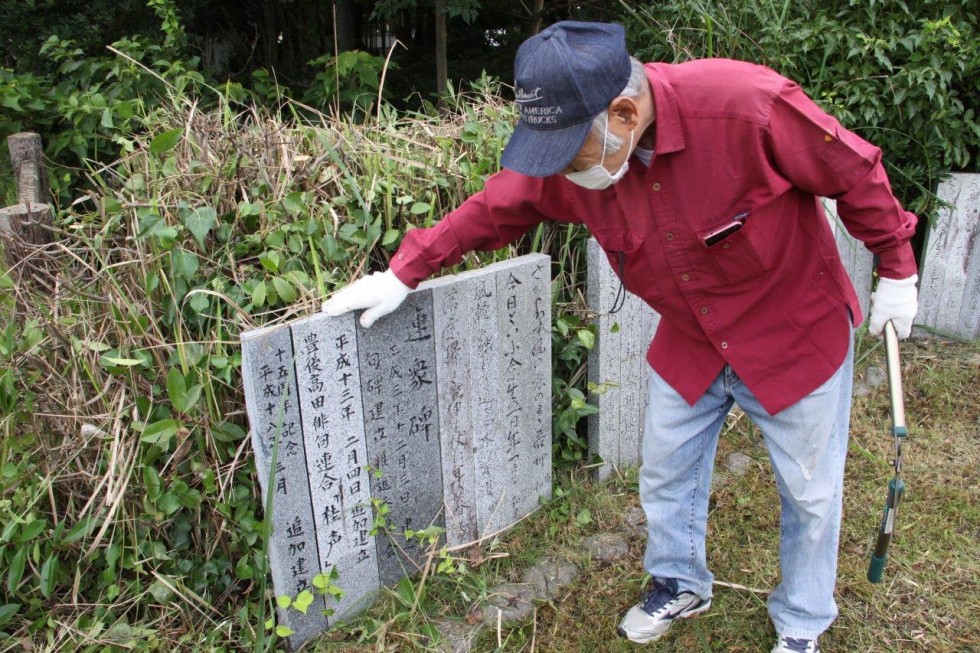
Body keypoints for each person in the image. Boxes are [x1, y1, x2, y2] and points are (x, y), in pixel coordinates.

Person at [322, 21, 918, 653]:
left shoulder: (747, 106)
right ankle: (680, 580)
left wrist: (898, 269)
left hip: (792, 332)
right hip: (691, 337)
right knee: (666, 471)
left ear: (625, 113)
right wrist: (403, 271)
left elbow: (853, 170)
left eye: (572, 161)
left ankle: (801, 621)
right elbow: (496, 206)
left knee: (810, 492)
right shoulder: (577, 151)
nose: (564, 179)